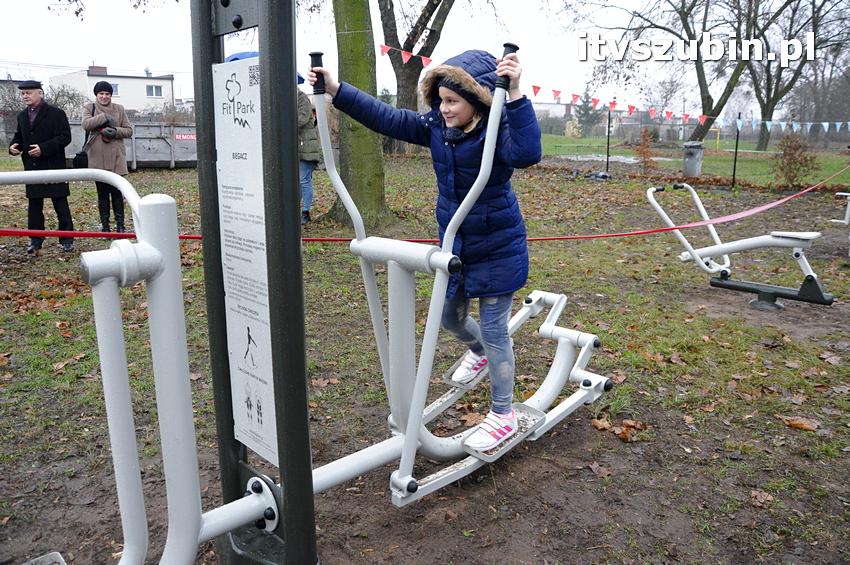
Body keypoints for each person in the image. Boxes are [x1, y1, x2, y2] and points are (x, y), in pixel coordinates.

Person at [309, 49, 542, 451]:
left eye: (453, 101)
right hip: (456, 243)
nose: (444, 108)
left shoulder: (496, 131)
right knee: (451, 318)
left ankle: (503, 413)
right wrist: (336, 90)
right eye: (440, 101)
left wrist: (517, 91)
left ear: (478, 100)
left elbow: (527, 153)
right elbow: (389, 118)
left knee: (493, 327)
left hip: (499, 244)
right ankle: (480, 353)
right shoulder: (437, 126)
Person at [8, 80, 74, 255]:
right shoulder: (21, 115)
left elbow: (65, 137)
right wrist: (14, 146)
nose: (25, 96)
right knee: (34, 206)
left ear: (40, 93)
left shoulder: (56, 113)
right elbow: (19, 137)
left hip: (53, 166)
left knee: (60, 203)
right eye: (22, 94)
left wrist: (44, 148)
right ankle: (35, 240)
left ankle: (67, 239)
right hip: (32, 167)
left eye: (29, 93)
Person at [81, 81, 133, 233]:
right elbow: (85, 124)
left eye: (107, 94)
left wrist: (115, 131)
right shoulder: (89, 108)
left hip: (116, 155)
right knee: (102, 194)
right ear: (96, 95)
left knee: (117, 193)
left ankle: (120, 226)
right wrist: (103, 117)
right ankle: (105, 227)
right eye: (101, 94)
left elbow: (129, 130)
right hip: (97, 156)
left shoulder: (120, 109)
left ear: (111, 95)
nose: (104, 97)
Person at [298, 88, 322, 225]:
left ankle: (306, 212)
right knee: (298, 181)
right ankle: (297, 211)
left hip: (307, 147)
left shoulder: (301, 98)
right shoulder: (293, 97)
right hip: (299, 147)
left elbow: (301, 119)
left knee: (303, 180)